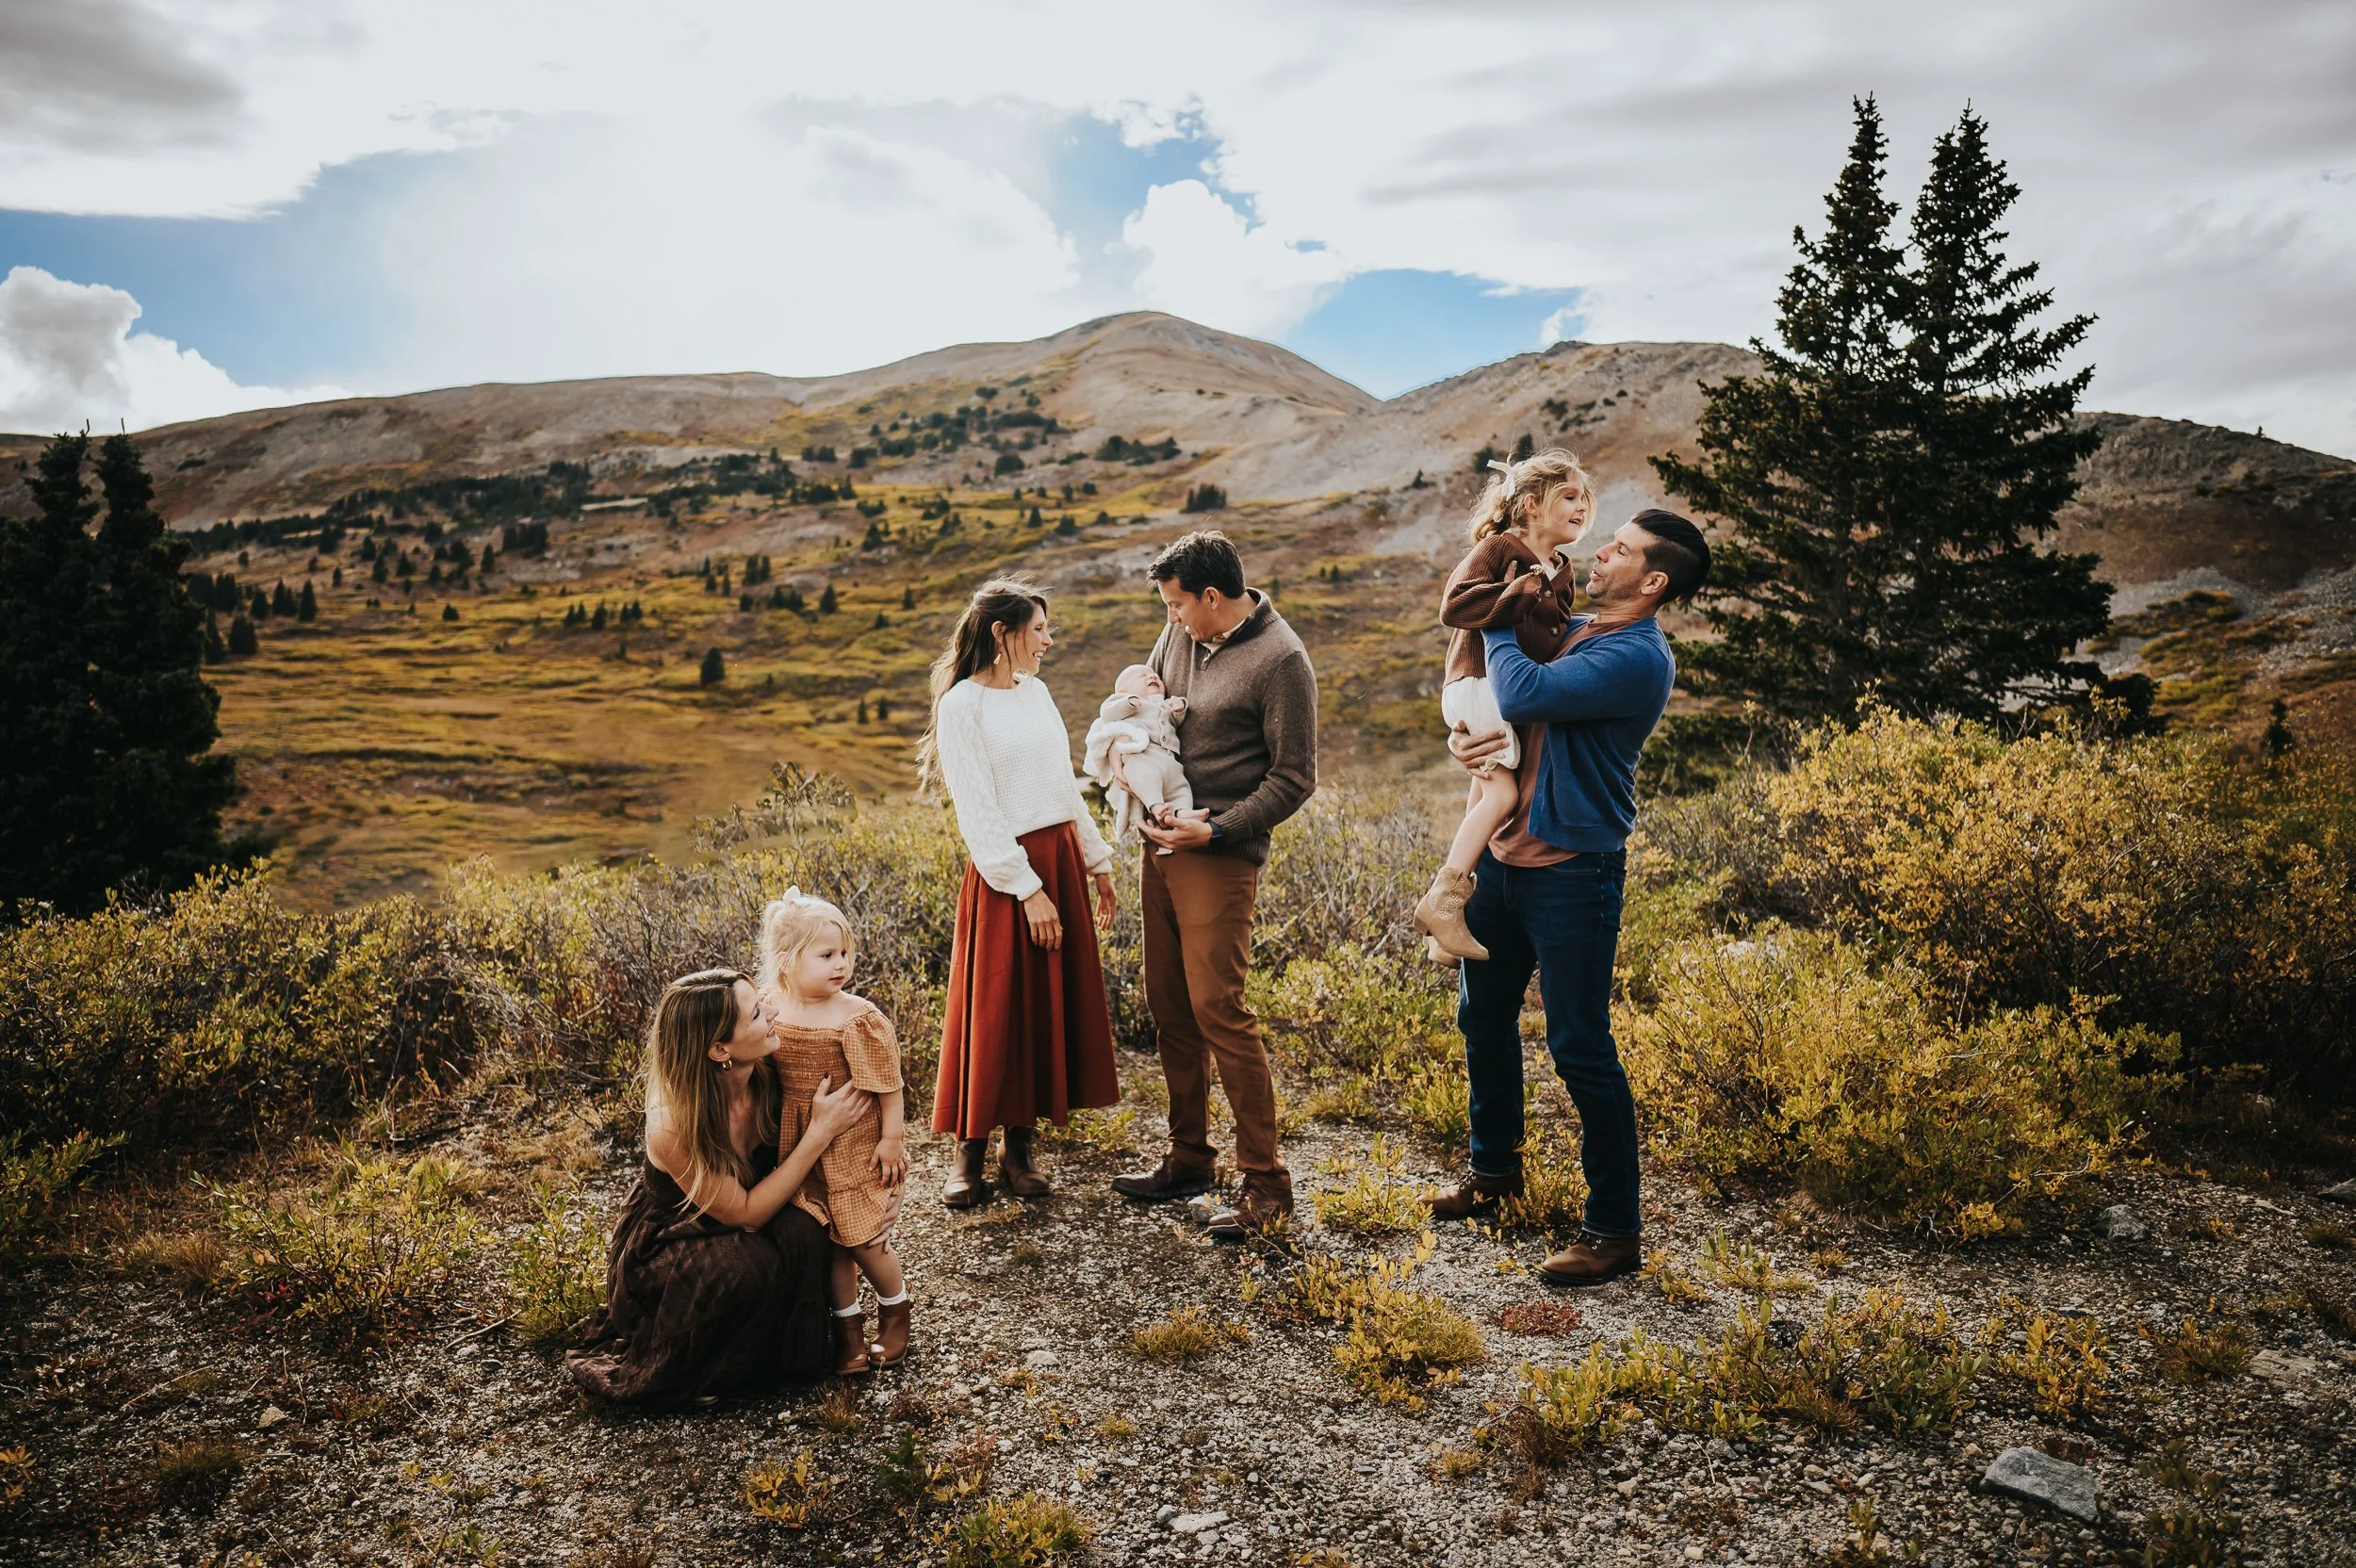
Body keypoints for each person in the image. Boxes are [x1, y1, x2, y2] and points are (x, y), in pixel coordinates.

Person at [1427, 508, 1710, 1286]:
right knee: (1482, 1020)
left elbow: (1521, 692)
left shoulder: (1637, 657)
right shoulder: (1579, 628)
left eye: (1621, 549)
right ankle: (1493, 1173)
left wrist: (1496, 612)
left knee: (1581, 1047)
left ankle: (1614, 1232)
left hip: (1573, 873)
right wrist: (1466, 739)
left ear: (1652, 581)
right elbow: (1500, 710)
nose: (1601, 552)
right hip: (1505, 861)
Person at [1111, 531, 1317, 1240]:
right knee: (1169, 1004)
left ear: (1210, 596)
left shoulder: (1281, 660)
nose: (1169, 619)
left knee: (1218, 1010)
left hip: (1219, 855)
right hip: (1162, 846)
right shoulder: (1181, 634)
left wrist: (1220, 830)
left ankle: (1266, 1183)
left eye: (1176, 605)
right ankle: (1189, 1157)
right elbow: (1149, 709)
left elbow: (1294, 778)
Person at [567, 969, 877, 1405]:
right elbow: (747, 1216)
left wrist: (883, 1183)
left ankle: (778, 1360)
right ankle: (697, 1371)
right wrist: (819, 1133)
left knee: (806, 1230)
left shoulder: (767, 1070)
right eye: (756, 1014)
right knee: (743, 1265)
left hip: (752, 1209)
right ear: (719, 1050)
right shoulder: (671, 1124)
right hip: (674, 1237)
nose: (772, 1013)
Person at [918, 578, 1121, 1208]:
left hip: (1060, 858)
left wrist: (1097, 861)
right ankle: (969, 1153)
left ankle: (1020, 1152)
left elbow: (1062, 785)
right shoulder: (962, 706)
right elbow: (977, 810)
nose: (1048, 641)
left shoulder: (1037, 693)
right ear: (1002, 633)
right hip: (1007, 873)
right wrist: (1027, 889)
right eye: (1039, 630)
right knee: (997, 1009)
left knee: (1041, 1009)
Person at [1416, 450, 1596, 962]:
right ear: (1532, 504)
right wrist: (1519, 590)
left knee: (1482, 792)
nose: (1582, 507)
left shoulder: (1563, 570)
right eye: (1569, 496)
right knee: (1503, 795)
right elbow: (1455, 604)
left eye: (1585, 499)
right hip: (1477, 680)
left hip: (1504, 692)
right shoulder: (1500, 548)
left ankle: (1445, 930)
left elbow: (1555, 636)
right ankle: (1442, 903)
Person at [756, 888, 911, 1373]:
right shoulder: (770, 1008)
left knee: (864, 1238)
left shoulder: (856, 1017)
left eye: (844, 952)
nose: (841, 963)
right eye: (826, 955)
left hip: (854, 1146)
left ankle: (896, 1312)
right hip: (799, 1144)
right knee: (829, 1244)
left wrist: (892, 1140)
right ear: (787, 960)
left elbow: (888, 1086)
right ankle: (848, 1332)